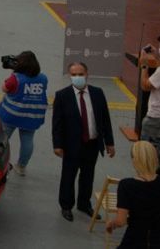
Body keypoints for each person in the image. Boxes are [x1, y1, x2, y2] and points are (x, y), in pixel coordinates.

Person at [52, 61, 115, 222]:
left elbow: (105, 119)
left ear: (87, 74)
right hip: (71, 145)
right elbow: (57, 123)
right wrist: (57, 145)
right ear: (69, 76)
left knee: (88, 176)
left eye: (80, 74)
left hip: (92, 144)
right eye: (74, 75)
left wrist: (109, 142)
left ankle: (84, 203)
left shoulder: (98, 93)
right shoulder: (62, 96)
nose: (77, 77)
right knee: (68, 176)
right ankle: (66, 206)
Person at [106, 141, 160, 248]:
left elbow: (120, 221)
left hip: (135, 242)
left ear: (134, 160)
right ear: (155, 159)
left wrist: (111, 224)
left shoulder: (126, 185)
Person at [0, 51, 49, 176]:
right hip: (32, 117)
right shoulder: (43, 78)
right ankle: (21, 166)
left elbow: (4, 88)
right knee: (27, 140)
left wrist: (13, 73)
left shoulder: (15, 79)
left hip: (11, 116)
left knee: (2, 139)